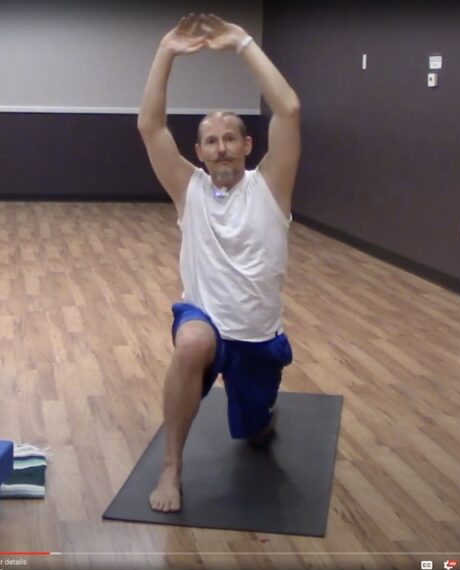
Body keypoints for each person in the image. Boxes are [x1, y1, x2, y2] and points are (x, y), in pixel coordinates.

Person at [137, 13, 301, 513]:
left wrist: (243, 42)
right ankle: (172, 467)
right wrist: (166, 51)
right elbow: (150, 126)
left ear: (247, 146)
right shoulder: (187, 189)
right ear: (200, 152)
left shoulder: (271, 186)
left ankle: (260, 419)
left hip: (257, 336)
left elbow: (289, 109)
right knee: (192, 342)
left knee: (255, 432)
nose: (221, 147)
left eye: (230, 138)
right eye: (211, 140)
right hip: (203, 317)